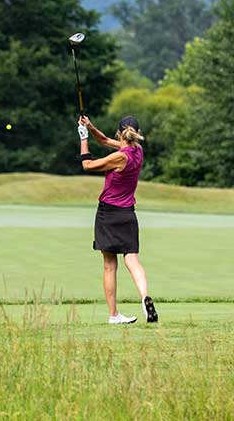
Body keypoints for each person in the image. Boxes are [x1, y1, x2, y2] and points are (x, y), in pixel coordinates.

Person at [77, 115, 158, 325]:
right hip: (128, 214)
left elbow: (87, 165)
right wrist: (91, 127)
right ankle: (144, 297)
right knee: (132, 259)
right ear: (136, 133)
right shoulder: (138, 150)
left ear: (120, 132)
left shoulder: (119, 157)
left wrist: (83, 138)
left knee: (109, 265)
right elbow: (104, 140)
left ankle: (114, 315)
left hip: (108, 214)